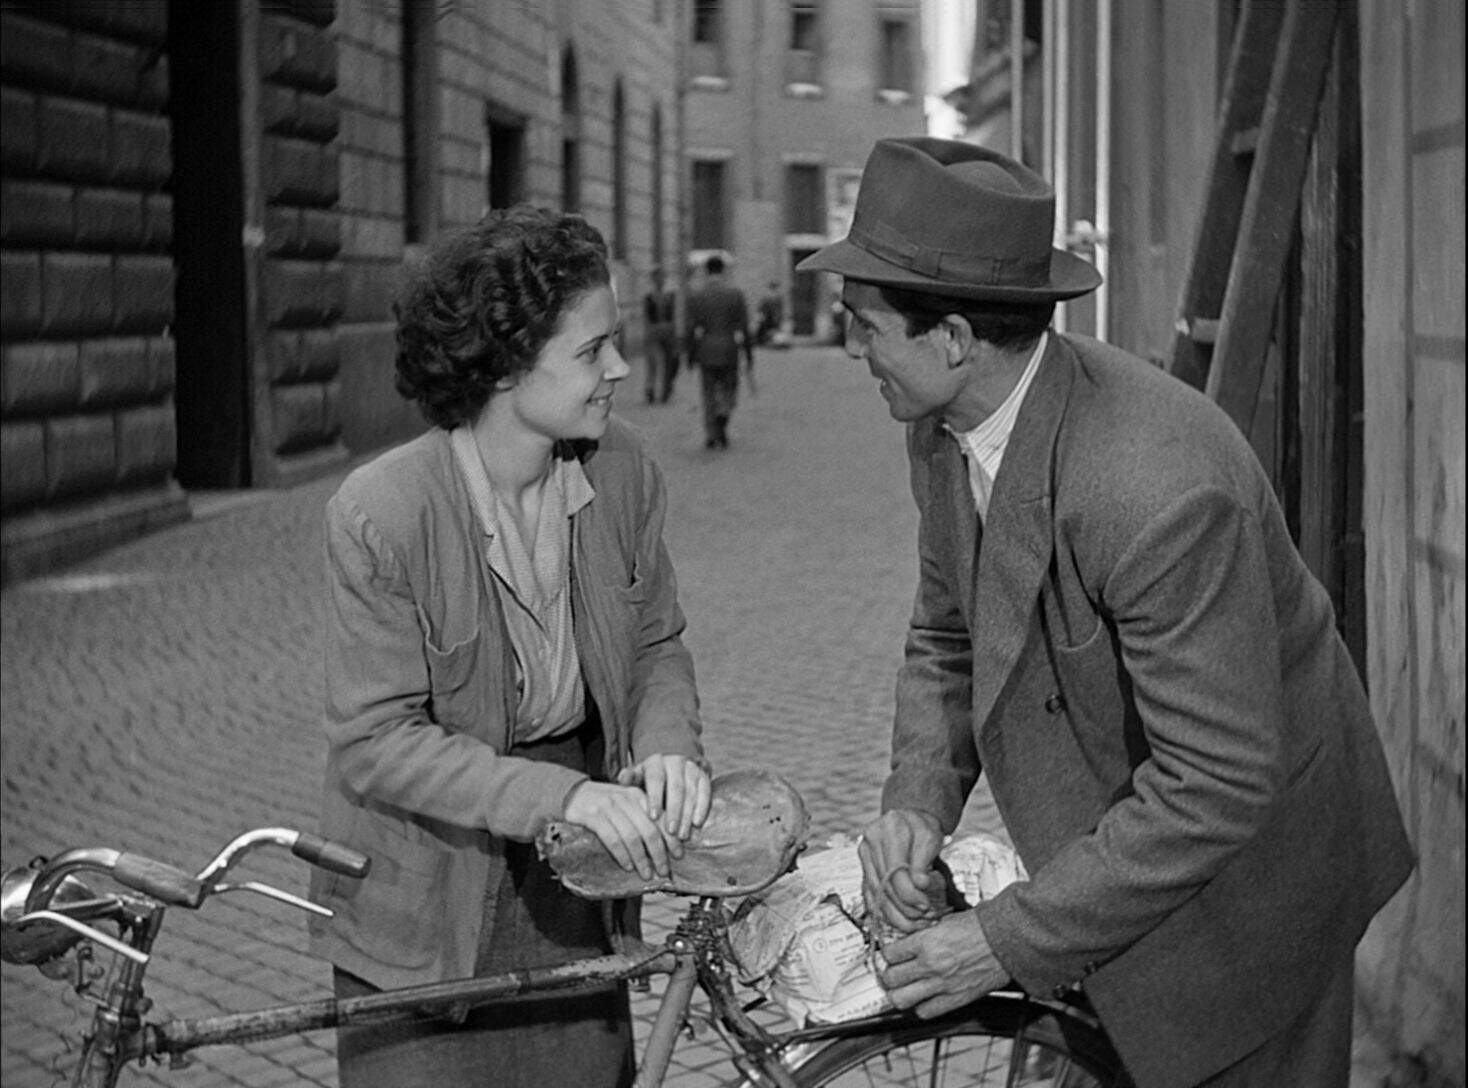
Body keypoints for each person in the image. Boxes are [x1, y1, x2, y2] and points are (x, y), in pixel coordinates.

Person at [798, 136, 1414, 1088]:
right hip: (1120, 869)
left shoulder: (1157, 488)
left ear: (953, 339)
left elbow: (1214, 783)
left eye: (864, 325)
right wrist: (917, 802)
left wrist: (1001, 941)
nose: (851, 350)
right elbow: (949, 634)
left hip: (1254, 899)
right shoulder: (941, 425)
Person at [309, 206, 712, 1088]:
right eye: (592, 350)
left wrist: (667, 747)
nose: (620, 368)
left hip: (573, 886)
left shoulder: (622, 470)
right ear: (503, 365)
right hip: (426, 899)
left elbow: (656, 643)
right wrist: (563, 794)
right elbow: (375, 742)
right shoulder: (383, 513)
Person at [686, 253, 755, 449]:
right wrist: (749, 353)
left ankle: (711, 433)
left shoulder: (697, 295)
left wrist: (691, 354)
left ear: (706, 271)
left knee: (708, 392)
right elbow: (744, 326)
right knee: (729, 387)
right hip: (729, 348)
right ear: (723, 270)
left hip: (706, 348)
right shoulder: (735, 294)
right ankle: (724, 410)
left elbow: (691, 328)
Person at [642, 265, 679, 404]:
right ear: (653, 279)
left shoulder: (670, 296)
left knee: (669, 362)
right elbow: (646, 316)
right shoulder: (648, 297)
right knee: (653, 363)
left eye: (662, 277)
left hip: (668, 332)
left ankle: (666, 389)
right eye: (657, 277)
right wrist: (648, 331)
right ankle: (650, 388)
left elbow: (674, 316)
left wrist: (674, 331)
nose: (660, 280)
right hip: (653, 332)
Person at [755, 280, 784, 346]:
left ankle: (769, 340)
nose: (773, 291)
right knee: (762, 328)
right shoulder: (766, 298)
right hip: (766, 318)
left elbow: (779, 309)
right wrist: (760, 315)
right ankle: (761, 340)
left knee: (773, 329)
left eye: (774, 288)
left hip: (774, 318)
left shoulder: (778, 299)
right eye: (772, 288)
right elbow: (761, 307)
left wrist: (779, 317)